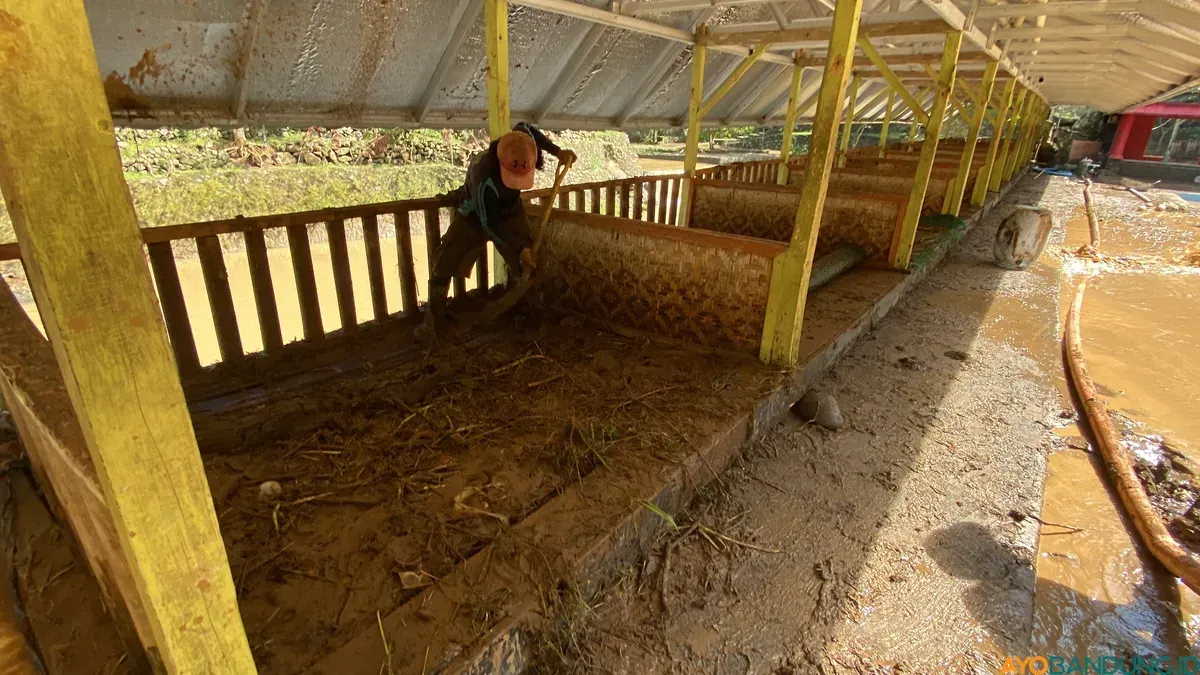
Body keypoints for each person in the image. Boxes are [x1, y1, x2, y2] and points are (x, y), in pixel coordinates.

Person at [417, 122, 576, 340]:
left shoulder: (521, 141)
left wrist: (557, 151)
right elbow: (490, 224)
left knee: (527, 262)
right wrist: (520, 247)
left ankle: (526, 311)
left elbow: (525, 126)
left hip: (511, 210)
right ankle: (433, 322)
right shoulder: (482, 177)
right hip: (475, 214)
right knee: (444, 261)